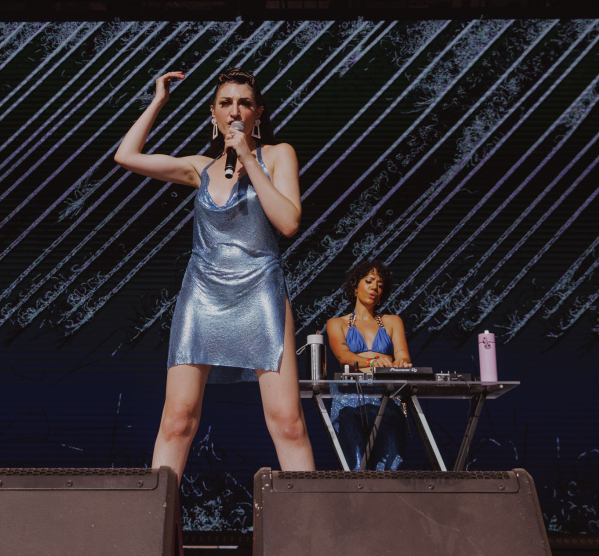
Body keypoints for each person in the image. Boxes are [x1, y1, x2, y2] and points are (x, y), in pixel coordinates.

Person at [114, 67, 315, 480]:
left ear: (258, 113)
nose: (234, 111)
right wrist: (159, 101)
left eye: (244, 103)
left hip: (260, 291)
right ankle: (159, 517)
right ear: (213, 113)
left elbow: (288, 222)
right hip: (203, 294)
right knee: (177, 420)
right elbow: (126, 156)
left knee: (288, 422)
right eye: (226, 103)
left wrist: (248, 158)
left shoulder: (278, 154)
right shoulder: (200, 167)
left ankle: (306, 517)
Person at [325, 259, 412, 470]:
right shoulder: (337, 323)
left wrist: (401, 362)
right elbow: (343, 356)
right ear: (355, 287)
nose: (375, 287)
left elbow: (403, 357)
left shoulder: (392, 321)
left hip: (387, 396)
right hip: (349, 400)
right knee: (355, 467)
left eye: (380, 285)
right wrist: (373, 362)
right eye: (369, 281)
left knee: (391, 468)